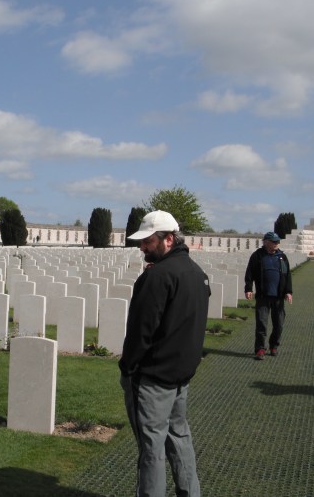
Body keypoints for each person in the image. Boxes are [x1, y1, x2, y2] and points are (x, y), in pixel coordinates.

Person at [119, 210, 210, 497]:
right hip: (182, 374)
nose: (142, 247)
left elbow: (140, 332)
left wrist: (128, 367)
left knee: (151, 449)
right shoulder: (198, 274)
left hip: (153, 378)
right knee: (179, 436)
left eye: (148, 241)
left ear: (168, 239)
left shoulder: (157, 277)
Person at [244, 231, 293, 360]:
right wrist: (248, 289)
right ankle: (260, 349)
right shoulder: (257, 256)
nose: (277, 243)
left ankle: (274, 346)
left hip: (278, 296)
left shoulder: (282, 256)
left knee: (279, 324)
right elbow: (250, 273)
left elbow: (287, 275)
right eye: (274, 241)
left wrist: (288, 292)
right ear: (266, 242)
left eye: (278, 241)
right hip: (263, 295)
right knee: (261, 323)